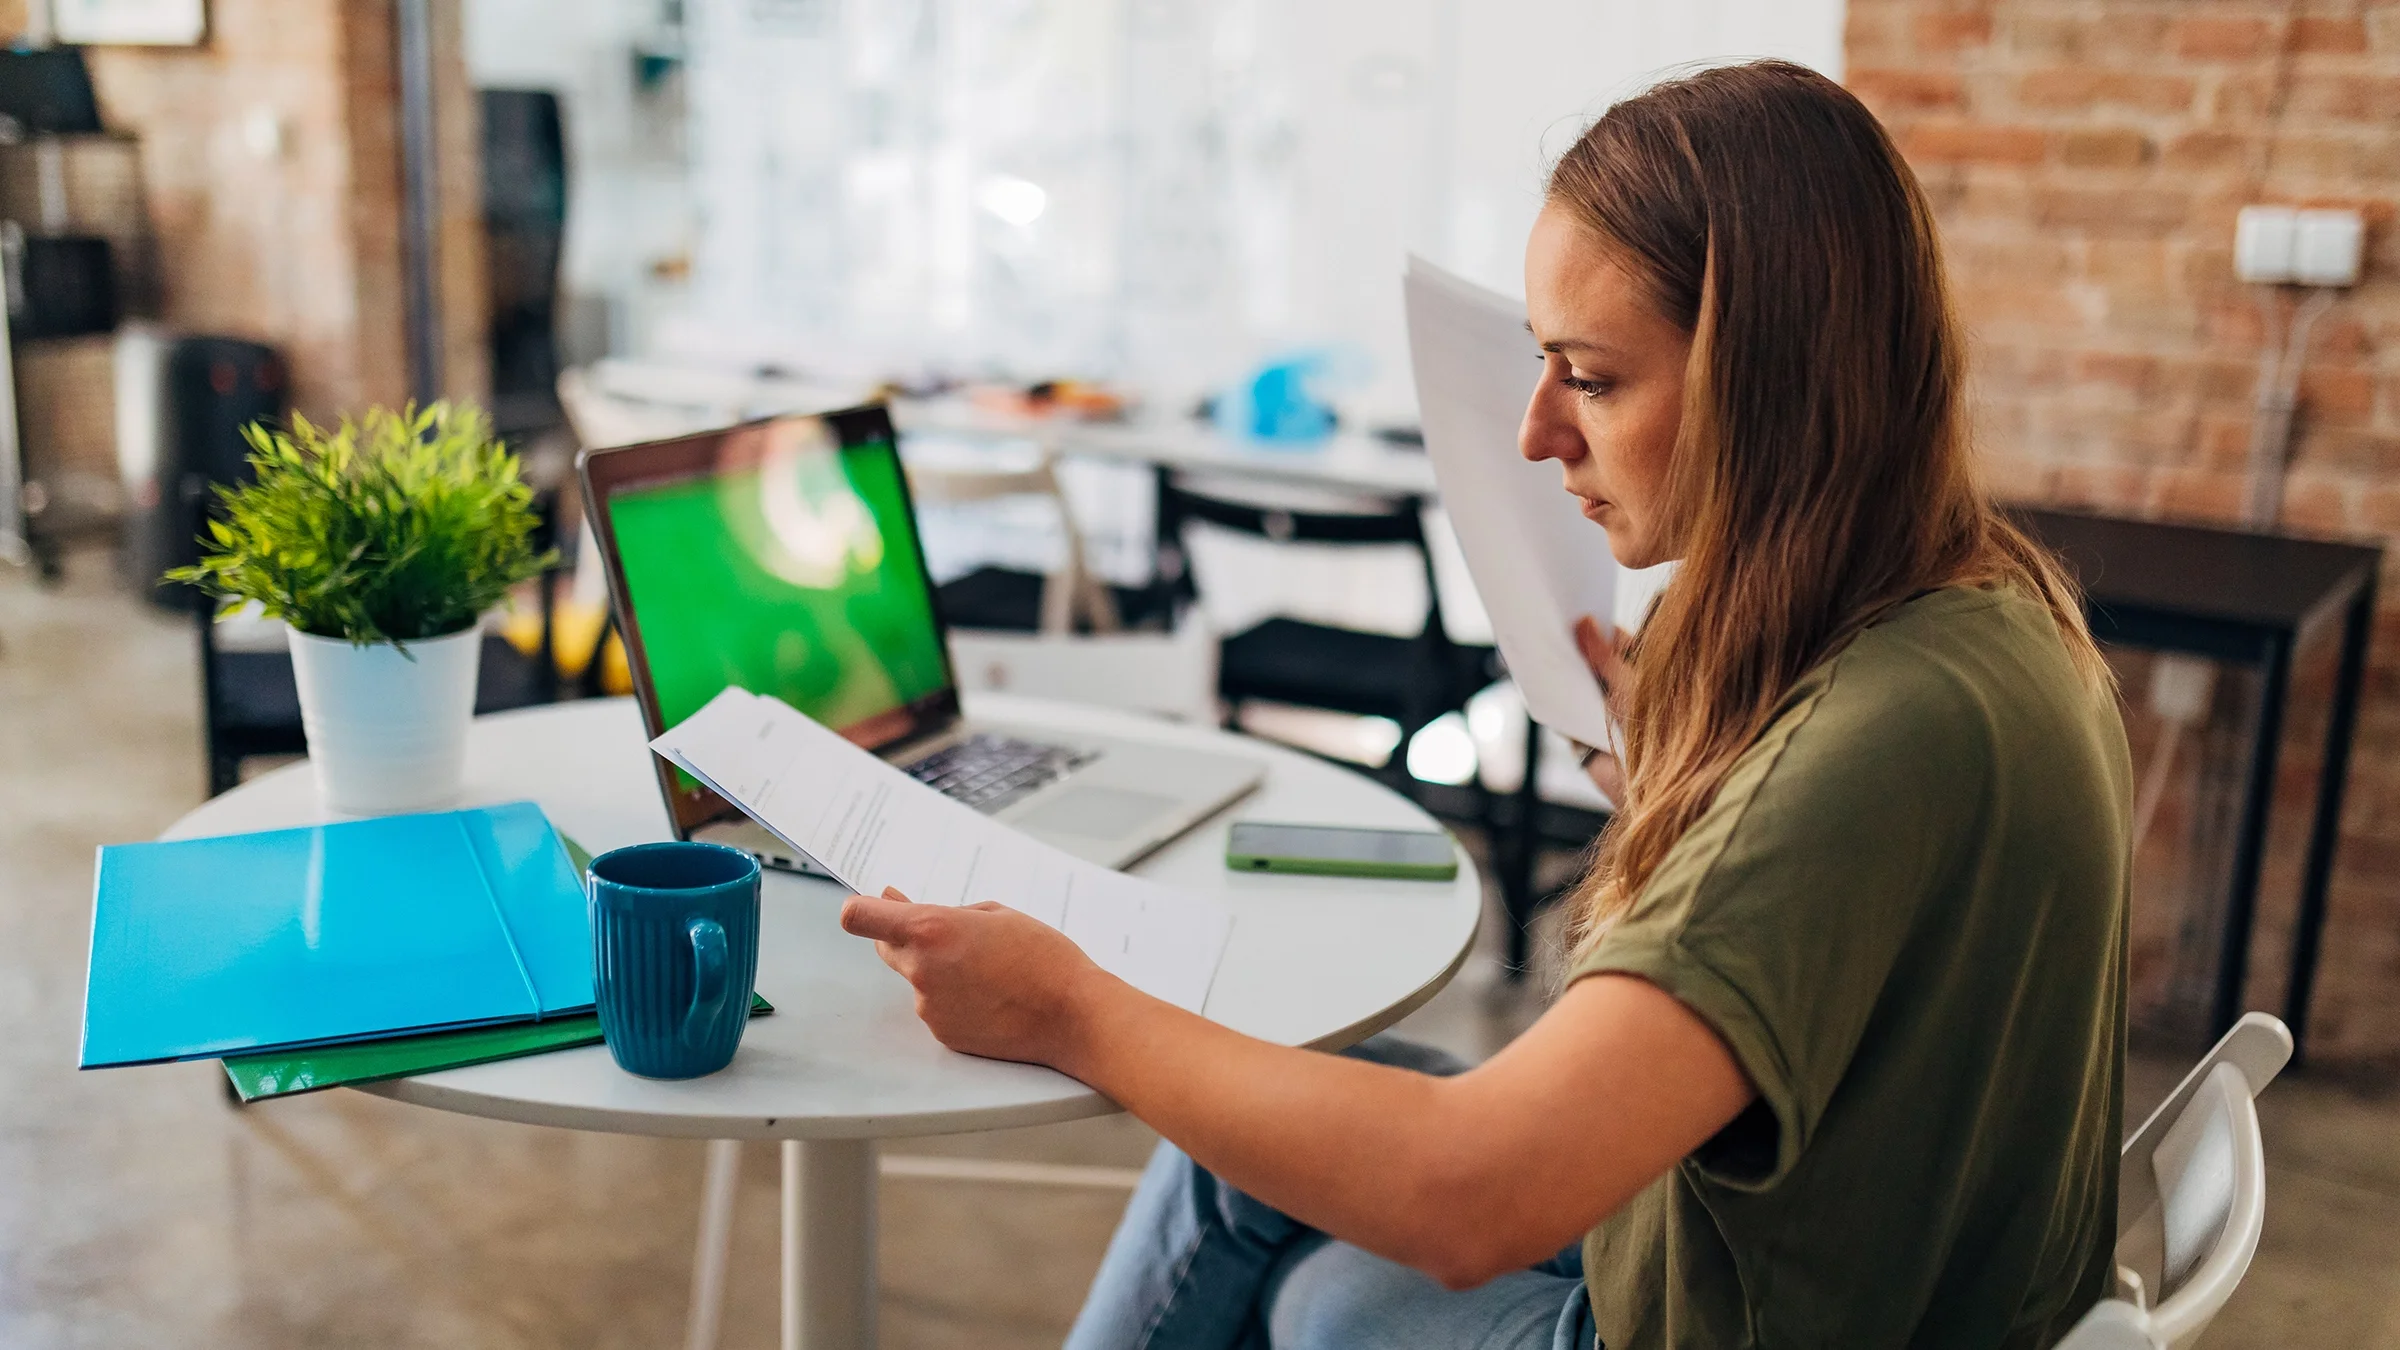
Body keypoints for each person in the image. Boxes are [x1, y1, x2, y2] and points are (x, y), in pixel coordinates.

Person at [840, 59, 2130, 1350]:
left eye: (1595, 377)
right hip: (1815, 1254)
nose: (1537, 433)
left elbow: (1471, 1194)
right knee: (1231, 1154)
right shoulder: (1990, 616)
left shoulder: (1878, 737)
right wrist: (1691, 787)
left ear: (1775, 382)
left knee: (1319, 1285)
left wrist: (1066, 1004)